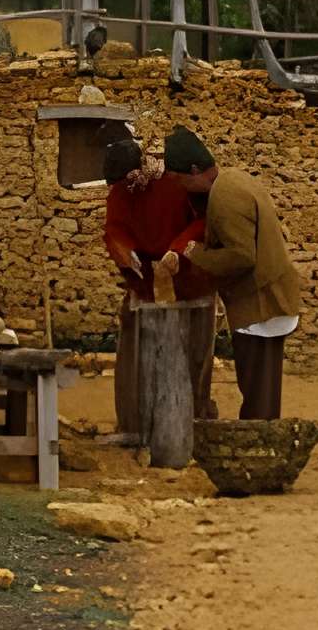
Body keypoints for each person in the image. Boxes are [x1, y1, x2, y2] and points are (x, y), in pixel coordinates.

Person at [155, 126, 303, 420]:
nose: (181, 187)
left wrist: (195, 253)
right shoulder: (234, 179)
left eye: (181, 179)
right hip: (269, 301)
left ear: (195, 170)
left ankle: (258, 450)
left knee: (257, 392)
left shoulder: (224, 197)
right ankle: (262, 443)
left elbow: (242, 256)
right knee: (263, 389)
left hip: (260, 305)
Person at [102, 135, 209, 413]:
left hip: (187, 274)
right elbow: (115, 228)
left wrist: (177, 250)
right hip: (145, 278)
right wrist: (126, 252)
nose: (125, 187)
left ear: (139, 169)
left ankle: (195, 413)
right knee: (135, 343)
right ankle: (135, 417)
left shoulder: (176, 181)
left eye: (128, 180)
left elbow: (202, 222)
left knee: (192, 345)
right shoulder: (121, 191)